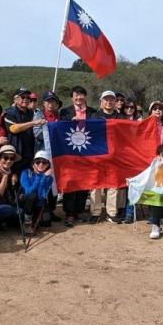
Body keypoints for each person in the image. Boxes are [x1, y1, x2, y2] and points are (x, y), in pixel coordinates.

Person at [58, 86, 95, 226]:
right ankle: (69, 213)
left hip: (87, 153)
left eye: (81, 95)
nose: (79, 97)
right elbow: (60, 128)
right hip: (70, 153)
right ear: (72, 97)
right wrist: (69, 123)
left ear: (85, 96)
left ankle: (79, 210)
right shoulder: (65, 112)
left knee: (85, 182)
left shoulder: (93, 112)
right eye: (76, 95)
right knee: (71, 182)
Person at [91, 90, 125, 223]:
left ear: (115, 102)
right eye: (106, 99)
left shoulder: (121, 118)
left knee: (113, 185)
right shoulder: (94, 116)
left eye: (111, 99)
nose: (109, 102)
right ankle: (95, 212)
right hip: (97, 154)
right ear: (101, 101)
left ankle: (111, 213)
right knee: (96, 185)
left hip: (115, 155)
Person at [5, 88, 45, 174]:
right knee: (13, 180)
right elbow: (14, 129)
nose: (26, 99)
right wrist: (34, 122)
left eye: (28, 97)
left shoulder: (30, 112)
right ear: (16, 99)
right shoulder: (10, 112)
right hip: (15, 154)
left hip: (29, 153)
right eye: (23, 97)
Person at [18, 150, 57, 234]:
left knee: (47, 222)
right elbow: (28, 192)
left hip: (38, 202)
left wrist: (43, 178)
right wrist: (39, 177)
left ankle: (34, 221)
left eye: (44, 162)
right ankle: (27, 223)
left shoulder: (49, 178)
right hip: (26, 201)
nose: (41, 164)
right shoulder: (25, 172)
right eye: (38, 161)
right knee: (32, 195)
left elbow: (41, 196)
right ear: (33, 162)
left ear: (48, 164)